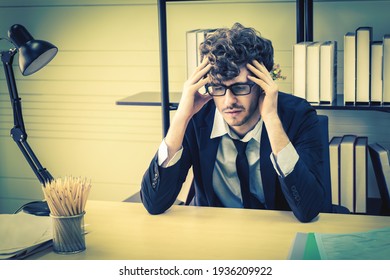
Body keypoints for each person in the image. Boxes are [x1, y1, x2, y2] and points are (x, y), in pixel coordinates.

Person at [141, 22, 329, 222]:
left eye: (240, 88)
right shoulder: (197, 115)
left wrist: (272, 120)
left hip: (276, 232)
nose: (228, 101)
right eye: (218, 88)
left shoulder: (298, 116)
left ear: (262, 85)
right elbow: (154, 204)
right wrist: (181, 117)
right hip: (213, 232)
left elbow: (309, 210)